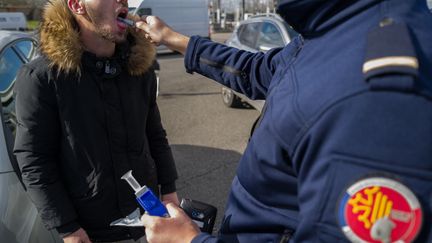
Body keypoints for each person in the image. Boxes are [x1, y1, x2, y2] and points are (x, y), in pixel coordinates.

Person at [135, 0, 432, 242]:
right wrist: (171, 38)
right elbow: (258, 70)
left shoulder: (378, 91)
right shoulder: (336, 27)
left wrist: (189, 241)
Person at [13, 0, 179, 242]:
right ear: (77, 5)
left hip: (151, 219)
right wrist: (68, 228)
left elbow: (155, 134)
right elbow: (34, 159)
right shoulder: (43, 78)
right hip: (91, 232)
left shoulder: (139, 71)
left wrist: (169, 190)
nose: (123, 1)